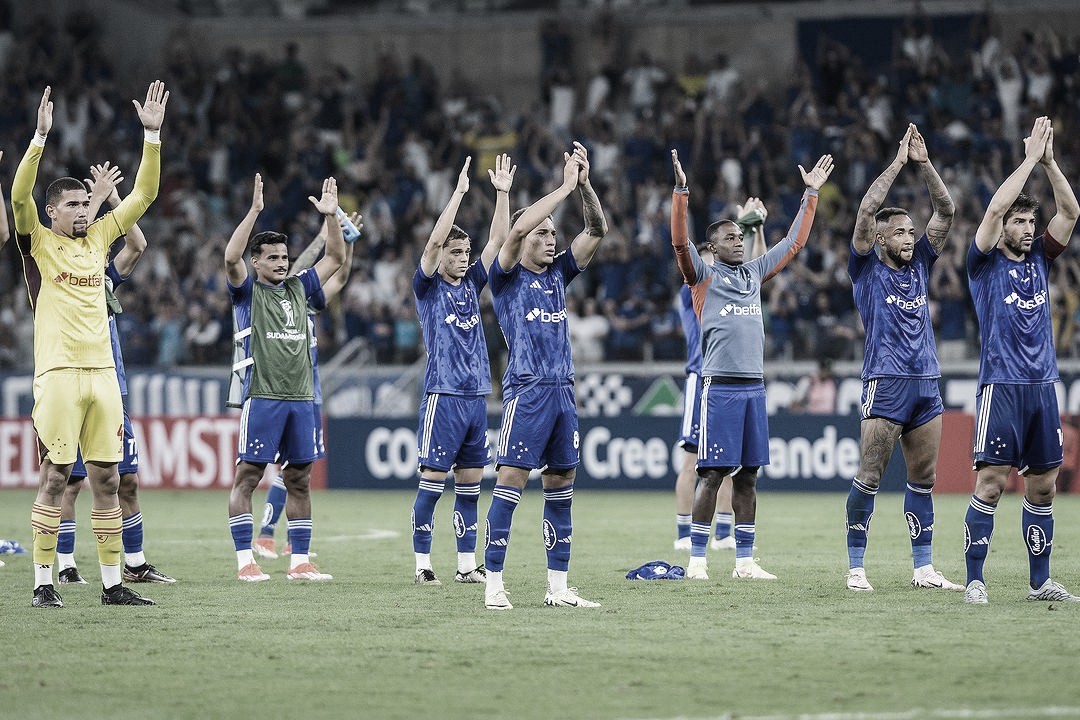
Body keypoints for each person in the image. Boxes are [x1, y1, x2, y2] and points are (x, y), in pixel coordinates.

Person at [13, 82, 167, 608]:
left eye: (87, 203)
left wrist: (151, 135)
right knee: (56, 477)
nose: (84, 210)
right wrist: (38, 139)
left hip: (103, 375)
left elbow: (144, 196)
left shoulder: (99, 240)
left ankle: (111, 584)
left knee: (106, 477)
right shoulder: (38, 242)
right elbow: (18, 196)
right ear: (52, 211)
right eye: (74, 204)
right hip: (57, 374)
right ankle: (42, 582)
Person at [671, 148, 834, 581]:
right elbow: (678, 242)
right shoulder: (702, 279)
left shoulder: (753, 274)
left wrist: (810, 194)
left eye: (740, 237)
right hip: (719, 388)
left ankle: (744, 561)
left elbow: (795, 242)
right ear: (713, 248)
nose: (739, 242)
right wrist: (681, 193)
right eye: (730, 238)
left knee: (749, 476)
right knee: (712, 474)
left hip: (754, 388)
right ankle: (698, 562)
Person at [482, 142, 607, 610]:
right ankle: (494, 582)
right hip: (526, 392)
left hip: (563, 395)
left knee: (561, 487)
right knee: (511, 481)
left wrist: (585, 186)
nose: (552, 239)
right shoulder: (506, 277)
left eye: (555, 233)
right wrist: (562, 187)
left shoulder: (560, 274)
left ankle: (558, 589)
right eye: (545, 233)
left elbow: (597, 229)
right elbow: (514, 229)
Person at [963, 116, 1080, 604]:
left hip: (1041, 387)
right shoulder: (983, 263)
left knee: (1044, 488)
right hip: (1001, 386)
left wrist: (1051, 164)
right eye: (1021, 221)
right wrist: (1029, 158)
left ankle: (1040, 582)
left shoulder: (1040, 259)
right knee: (990, 485)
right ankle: (975, 581)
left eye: (1032, 221)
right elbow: (992, 209)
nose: (1029, 229)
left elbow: (1071, 211)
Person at [844, 124, 962, 593]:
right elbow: (868, 209)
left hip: (926, 383)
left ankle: (923, 568)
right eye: (899, 232)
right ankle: (856, 568)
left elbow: (947, 210)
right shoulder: (864, 267)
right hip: (885, 379)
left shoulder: (922, 265)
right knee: (870, 475)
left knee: (924, 479)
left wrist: (925, 162)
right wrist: (898, 161)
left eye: (912, 231)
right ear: (879, 239)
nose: (909, 237)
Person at [57, 162, 175, 586]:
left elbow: (137, 243)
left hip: (112, 388)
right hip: (69, 384)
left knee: (126, 479)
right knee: (69, 483)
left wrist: (110, 200)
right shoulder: (60, 274)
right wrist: (92, 203)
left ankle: (136, 562)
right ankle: (66, 566)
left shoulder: (105, 279)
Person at [224, 173, 345, 583]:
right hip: (263, 396)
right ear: (256, 262)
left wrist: (330, 218)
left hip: (302, 398)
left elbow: (335, 260)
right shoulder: (246, 293)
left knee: (299, 479)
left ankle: (300, 563)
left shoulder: (299, 287)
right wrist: (254, 211)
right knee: (248, 477)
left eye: (283, 257)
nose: (280, 263)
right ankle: (246, 562)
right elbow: (229, 258)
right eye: (272, 258)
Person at [411, 153, 515, 586]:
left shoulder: (473, 282)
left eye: (465, 252)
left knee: (471, 485)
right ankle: (422, 566)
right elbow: (433, 245)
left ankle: (465, 564)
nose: (463, 257)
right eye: (457, 252)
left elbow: (498, 241)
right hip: (443, 395)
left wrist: (503, 194)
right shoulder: (428, 286)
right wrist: (457, 194)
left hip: (476, 397)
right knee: (433, 483)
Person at [252, 208, 362, 561]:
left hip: (308, 393)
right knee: (285, 471)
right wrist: (324, 233)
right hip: (280, 390)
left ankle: (283, 541)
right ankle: (267, 535)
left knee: (296, 472)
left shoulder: (307, 303)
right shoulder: (285, 295)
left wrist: (350, 242)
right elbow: (301, 268)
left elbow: (340, 276)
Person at [672, 199, 767, 553]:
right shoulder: (696, 285)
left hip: (730, 379)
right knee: (695, 462)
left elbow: (756, 273)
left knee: (731, 463)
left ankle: (725, 532)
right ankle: (684, 535)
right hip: (703, 377)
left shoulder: (735, 280)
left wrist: (752, 228)